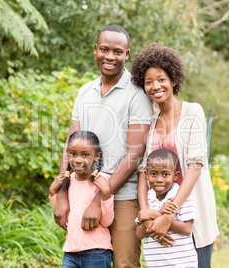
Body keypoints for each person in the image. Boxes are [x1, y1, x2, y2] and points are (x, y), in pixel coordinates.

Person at [53, 25, 153, 267]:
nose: (110, 57)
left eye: (117, 52)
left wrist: (100, 199)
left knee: (124, 263)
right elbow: (71, 144)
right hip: (83, 194)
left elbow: (135, 153)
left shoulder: (138, 93)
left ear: (127, 54)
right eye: (105, 50)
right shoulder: (84, 91)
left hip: (123, 196)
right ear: (95, 50)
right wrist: (63, 194)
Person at [131, 44, 219, 268]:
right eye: (148, 82)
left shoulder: (193, 112)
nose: (155, 86)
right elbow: (143, 171)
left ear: (173, 80)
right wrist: (147, 216)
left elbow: (195, 166)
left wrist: (169, 215)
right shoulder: (150, 122)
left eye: (161, 79)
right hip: (156, 212)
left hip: (189, 212)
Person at [49, 131, 113, 268]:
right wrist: (53, 192)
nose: (78, 159)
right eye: (73, 154)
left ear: (97, 156)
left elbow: (107, 221)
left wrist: (106, 194)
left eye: (85, 155)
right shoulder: (67, 181)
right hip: (71, 251)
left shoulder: (101, 181)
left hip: (97, 251)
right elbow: (65, 216)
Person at [136, 148, 198, 267]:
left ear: (175, 176)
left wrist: (154, 215)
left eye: (165, 174)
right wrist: (159, 212)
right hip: (156, 264)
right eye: (154, 174)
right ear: (147, 175)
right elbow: (139, 234)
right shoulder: (147, 198)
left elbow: (187, 229)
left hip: (182, 264)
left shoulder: (181, 197)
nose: (159, 179)